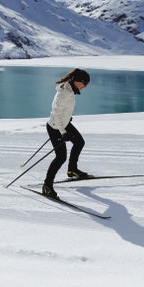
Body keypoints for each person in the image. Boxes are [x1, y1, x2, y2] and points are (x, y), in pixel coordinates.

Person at [41, 68, 91, 198]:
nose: (85, 87)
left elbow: (64, 110)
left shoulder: (71, 90)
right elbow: (56, 114)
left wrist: (68, 118)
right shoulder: (64, 92)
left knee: (79, 142)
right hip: (55, 127)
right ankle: (47, 185)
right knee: (60, 157)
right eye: (84, 84)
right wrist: (63, 132)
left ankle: (72, 170)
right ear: (77, 81)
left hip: (64, 124)